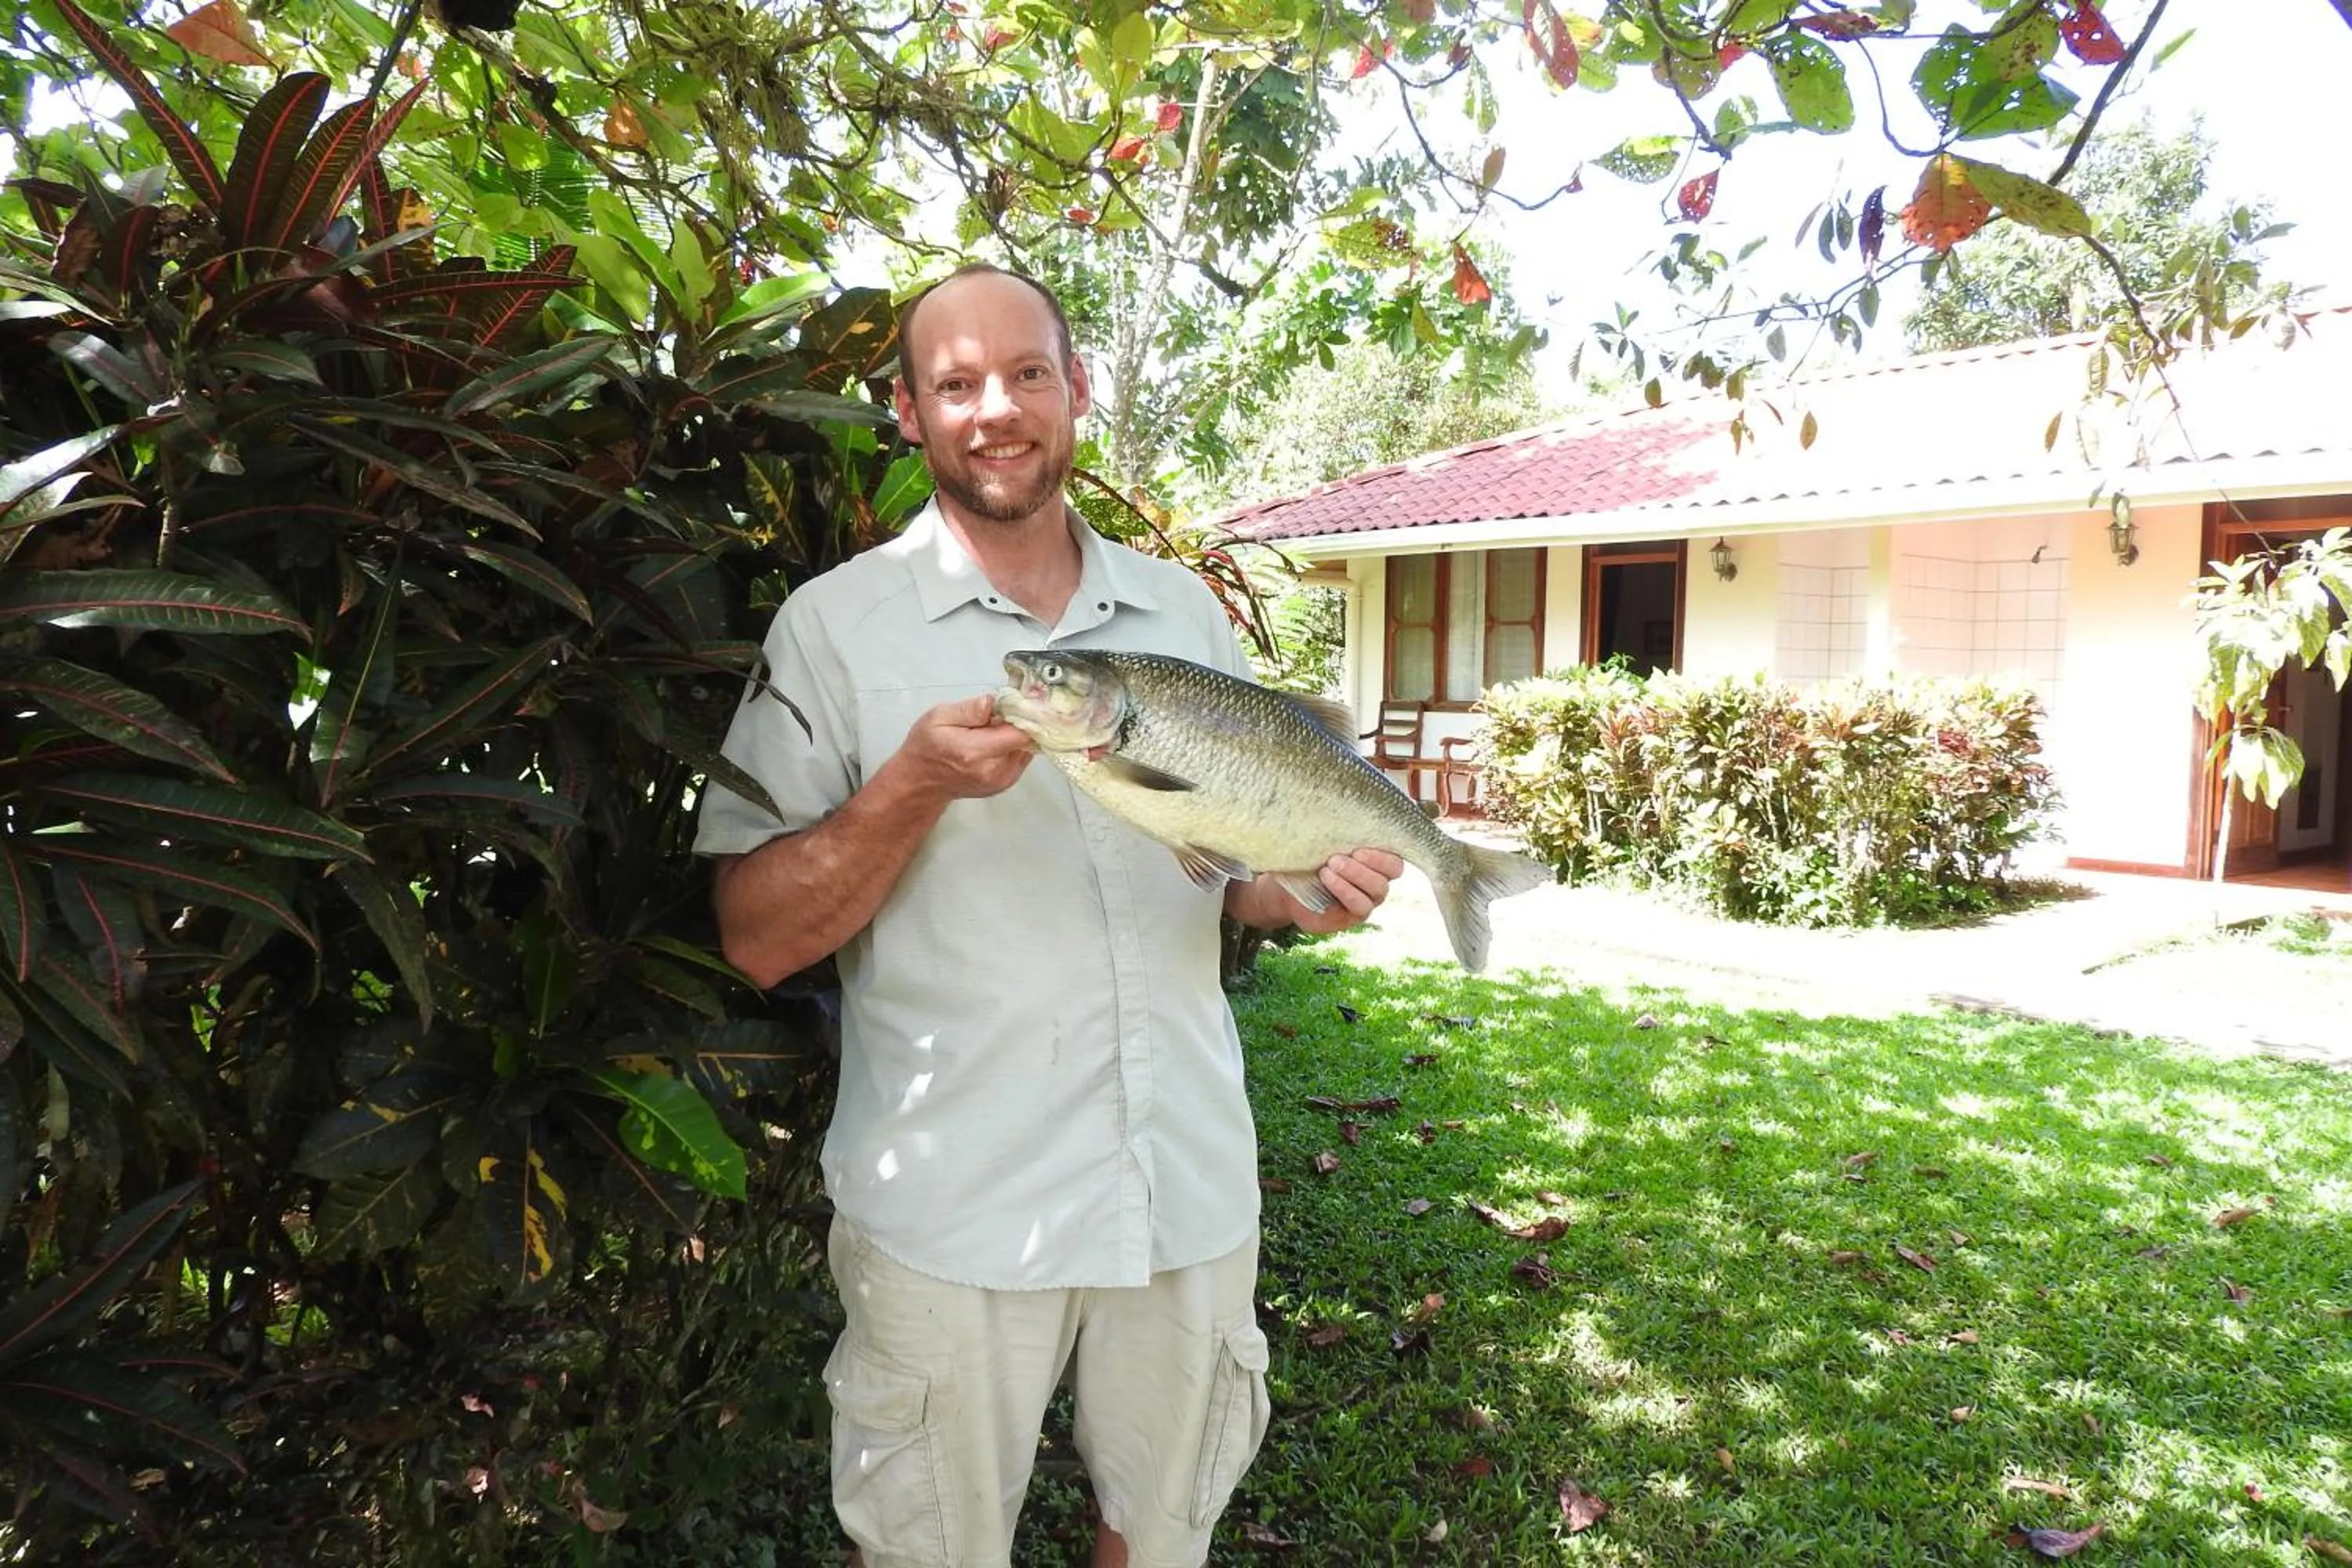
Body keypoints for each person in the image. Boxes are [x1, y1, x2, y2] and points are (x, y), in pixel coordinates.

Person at [692, 262, 1400, 1568]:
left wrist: (1309, 890)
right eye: (956, 383)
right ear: (909, 413)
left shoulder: (1180, 612)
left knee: (1160, 1538)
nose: (996, 410)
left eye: (1026, 374)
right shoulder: (834, 629)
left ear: (1075, 389)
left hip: (1182, 1184)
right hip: (956, 1208)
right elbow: (756, 936)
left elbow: (1228, 869)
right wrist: (909, 788)